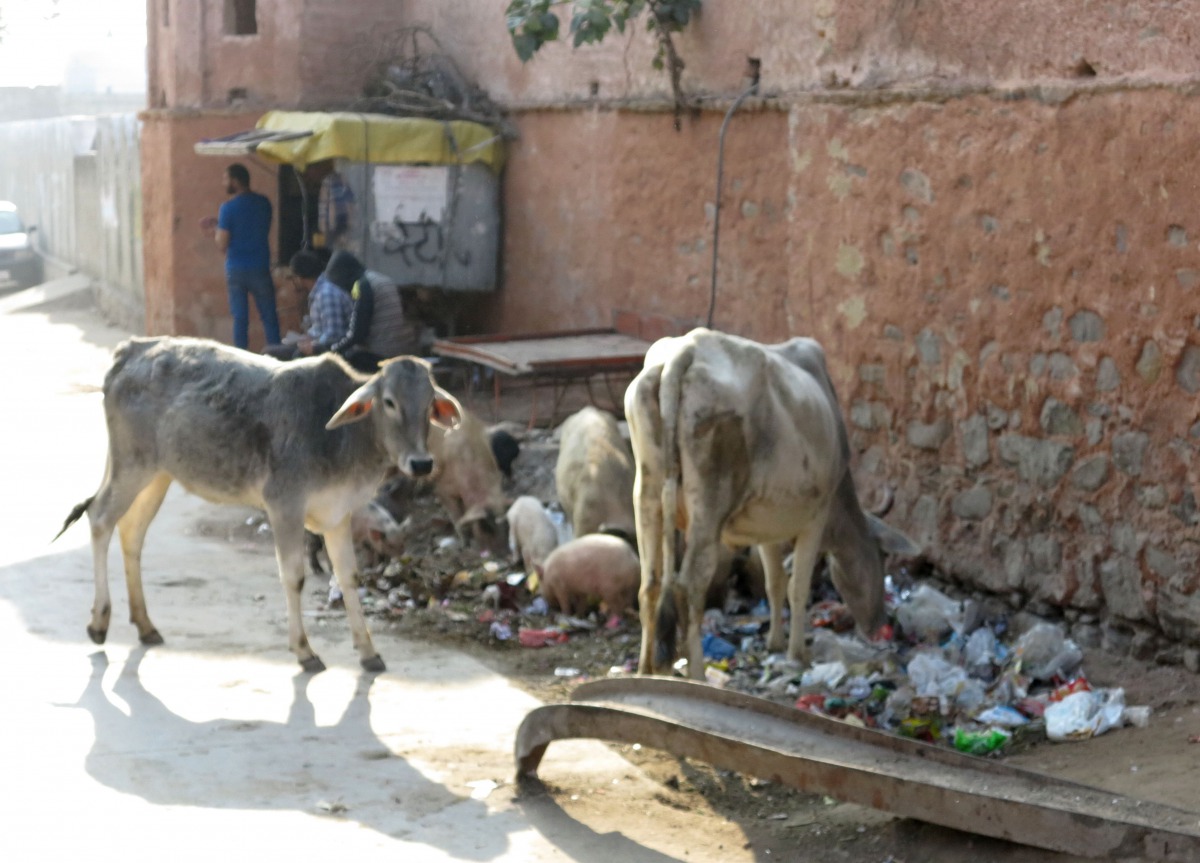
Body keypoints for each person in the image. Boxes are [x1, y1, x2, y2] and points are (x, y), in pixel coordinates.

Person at [201, 163, 280, 350]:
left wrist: (215, 231)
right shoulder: (264, 203)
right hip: (260, 266)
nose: (223, 183)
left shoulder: (227, 208)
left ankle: (242, 357)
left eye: (226, 179)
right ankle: (278, 355)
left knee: (240, 319)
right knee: (269, 316)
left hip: (237, 269)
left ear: (235, 181)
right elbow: (256, 228)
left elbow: (222, 243)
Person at [325, 250, 421, 372]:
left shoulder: (363, 286)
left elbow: (358, 334)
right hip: (398, 348)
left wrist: (333, 350)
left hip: (380, 353)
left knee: (340, 365)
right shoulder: (379, 279)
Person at [264, 249, 353, 360]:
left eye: (293, 278)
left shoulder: (326, 295)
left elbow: (334, 335)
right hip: (318, 344)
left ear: (300, 278)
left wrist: (311, 345)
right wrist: (304, 339)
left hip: (332, 351)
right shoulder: (317, 293)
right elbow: (320, 329)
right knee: (271, 351)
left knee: (272, 354)